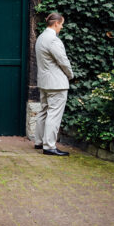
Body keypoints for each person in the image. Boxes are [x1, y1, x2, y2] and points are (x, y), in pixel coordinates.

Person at [34, 13, 74, 156]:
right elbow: (63, 61)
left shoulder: (40, 38)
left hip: (44, 82)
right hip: (56, 83)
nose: (62, 27)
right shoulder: (53, 40)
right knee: (54, 114)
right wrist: (70, 75)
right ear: (56, 23)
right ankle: (49, 146)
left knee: (44, 111)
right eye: (61, 24)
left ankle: (39, 141)